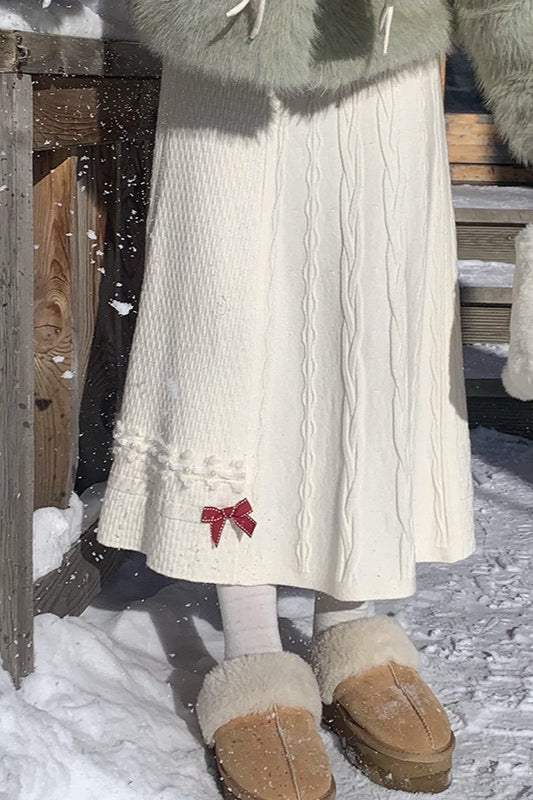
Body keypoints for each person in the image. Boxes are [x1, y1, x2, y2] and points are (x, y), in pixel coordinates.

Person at [96, 1, 532, 797]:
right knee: (225, 332)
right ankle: (252, 650)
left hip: (385, 53)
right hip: (225, 38)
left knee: (370, 328)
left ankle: (347, 622)